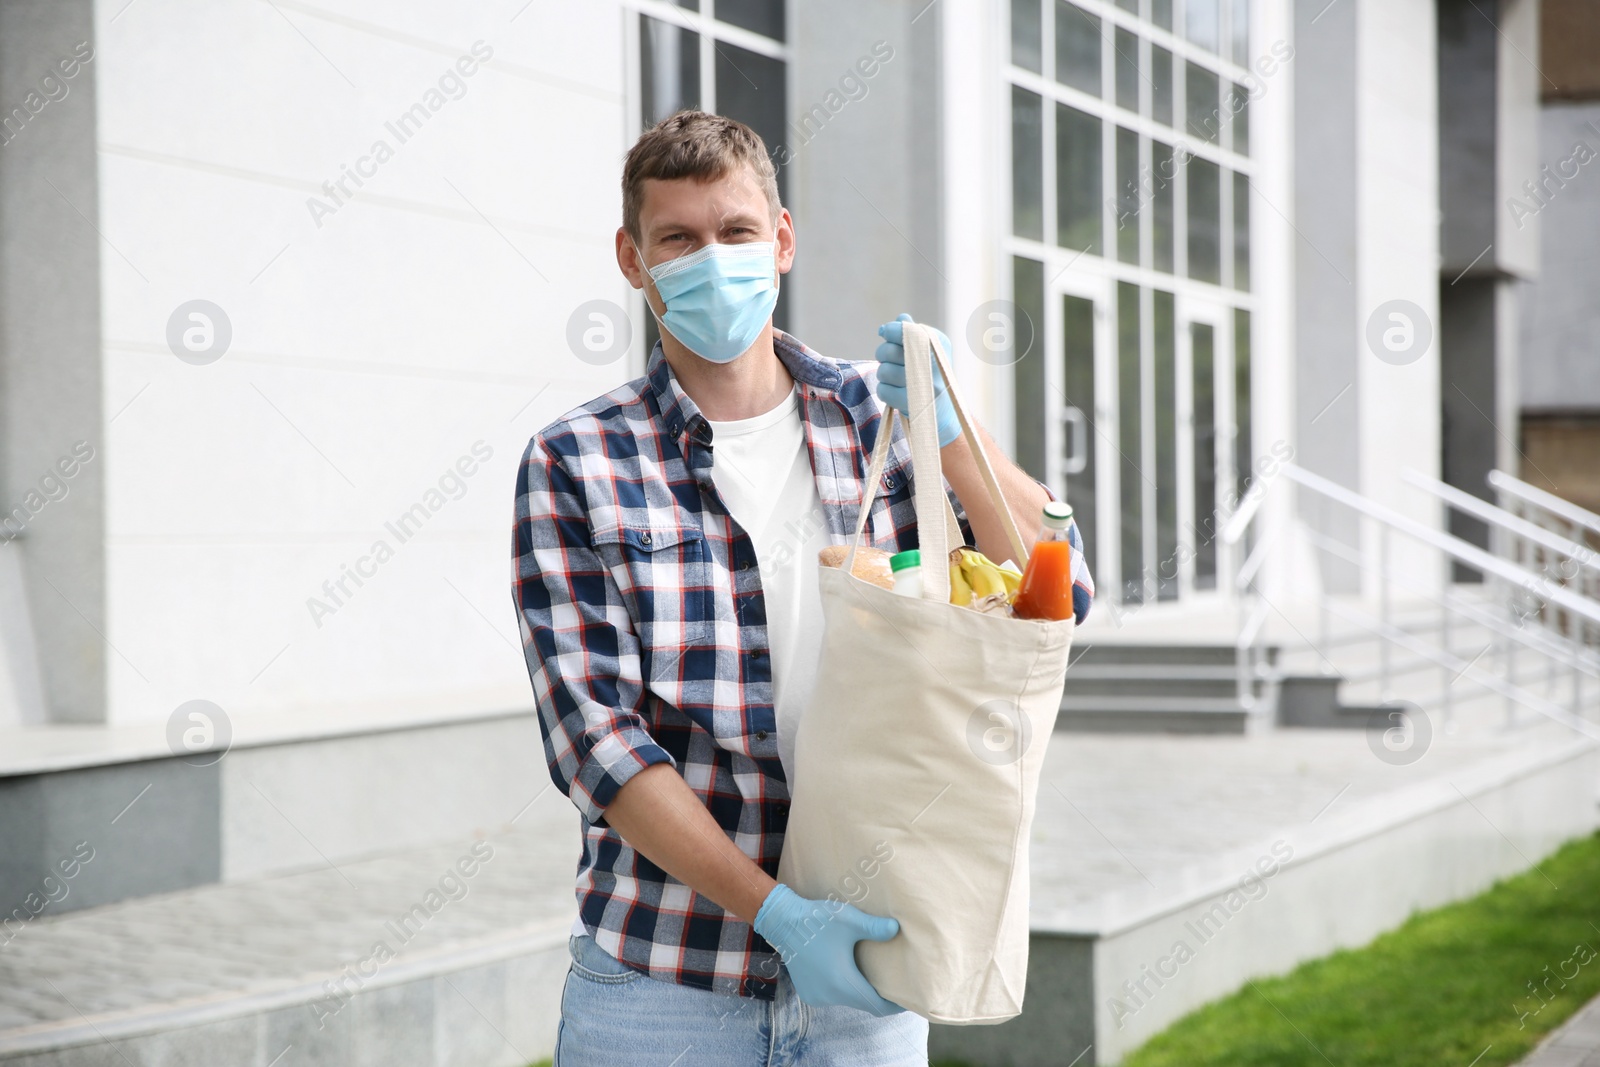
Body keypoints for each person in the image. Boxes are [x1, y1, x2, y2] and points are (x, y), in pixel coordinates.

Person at [511, 109, 1093, 1066]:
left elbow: (1061, 599)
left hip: (871, 971)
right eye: (679, 240)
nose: (712, 259)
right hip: (662, 987)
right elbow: (596, 742)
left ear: (781, 241)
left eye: (736, 232)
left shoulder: (877, 416)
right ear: (633, 258)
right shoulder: (577, 459)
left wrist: (950, 432)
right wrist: (777, 913)